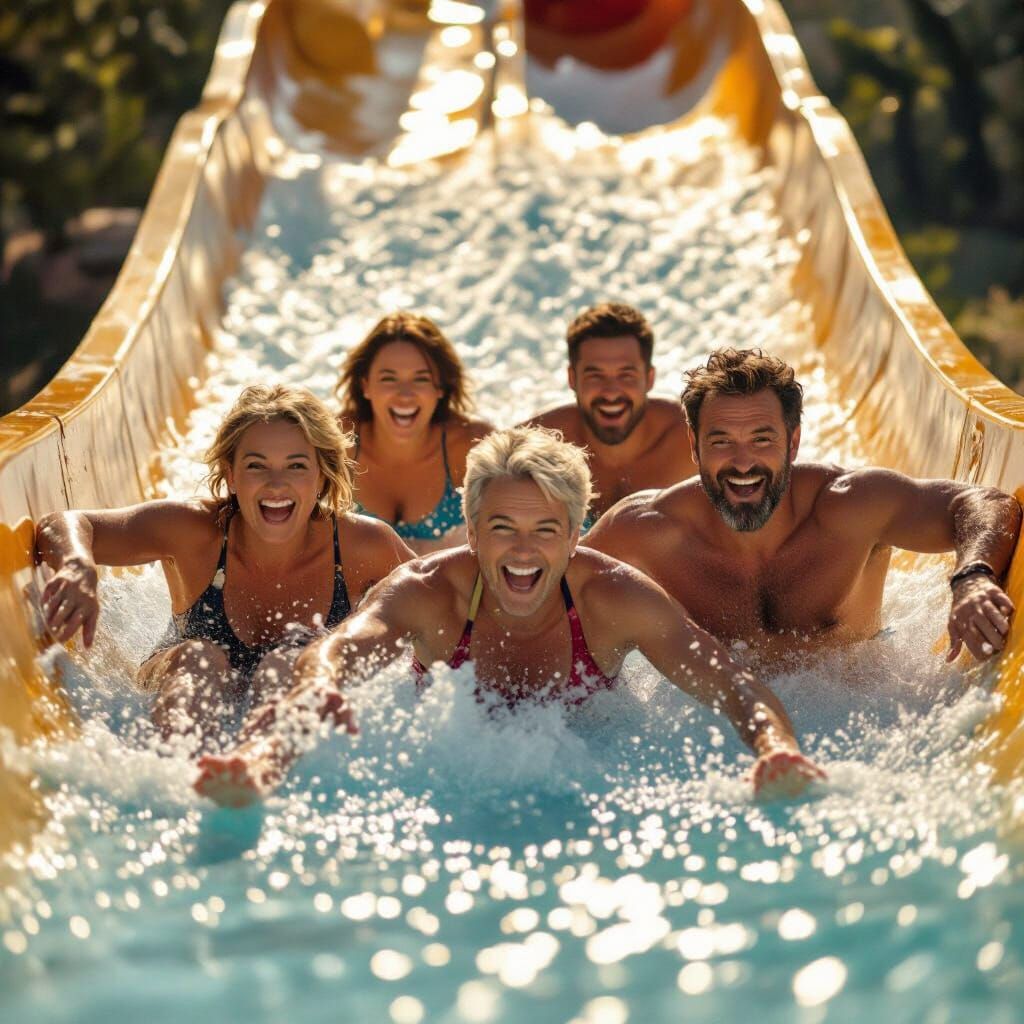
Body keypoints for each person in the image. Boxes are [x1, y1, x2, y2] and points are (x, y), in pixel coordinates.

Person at [194, 427, 825, 807]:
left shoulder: (614, 599)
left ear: (574, 536)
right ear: (471, 531)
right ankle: (256, 771)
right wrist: (323, 682)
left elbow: (731, 683)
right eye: (502, 528)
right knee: (309, 700)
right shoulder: (429, 592)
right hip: (454, 775)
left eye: (545, 530)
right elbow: (341, 646)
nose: (523, 551)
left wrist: (776, 750)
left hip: (591, 760)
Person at [586, 348, 1021, 662]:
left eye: (762, 439)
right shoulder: (646, 529)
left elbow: (981, 501)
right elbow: (562, 588)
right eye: (721, 441)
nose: (742, 463)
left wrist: (973, 577)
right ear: (694, 446)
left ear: (792, 442)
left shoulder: (850, 506)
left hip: (858, 707)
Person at [36, 384, 413, 744]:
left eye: (296, 466)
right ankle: (181, 774)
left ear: (321, 475)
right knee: (200, 659)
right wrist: (77, 564)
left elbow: (436, 590)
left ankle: (258, 771)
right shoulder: (193, 532)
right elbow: (67, 523)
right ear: (231, 475)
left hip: (291, 698)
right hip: (181, 683)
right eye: (257, 466)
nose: (276, 484)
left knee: (287, 665)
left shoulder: (361, 545)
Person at [524, 302, 696, 526]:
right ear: (572, 379)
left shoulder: (693, 440)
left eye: (626, 375)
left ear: (649, 378)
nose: (611, 392)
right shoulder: (535, 447)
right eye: (595, 376)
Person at [338, 312, 493, 553]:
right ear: (365, 385)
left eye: (421, 379)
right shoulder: (337, 444)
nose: (405, 394)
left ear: (440, 387)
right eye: (389, 379)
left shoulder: (471, 446)